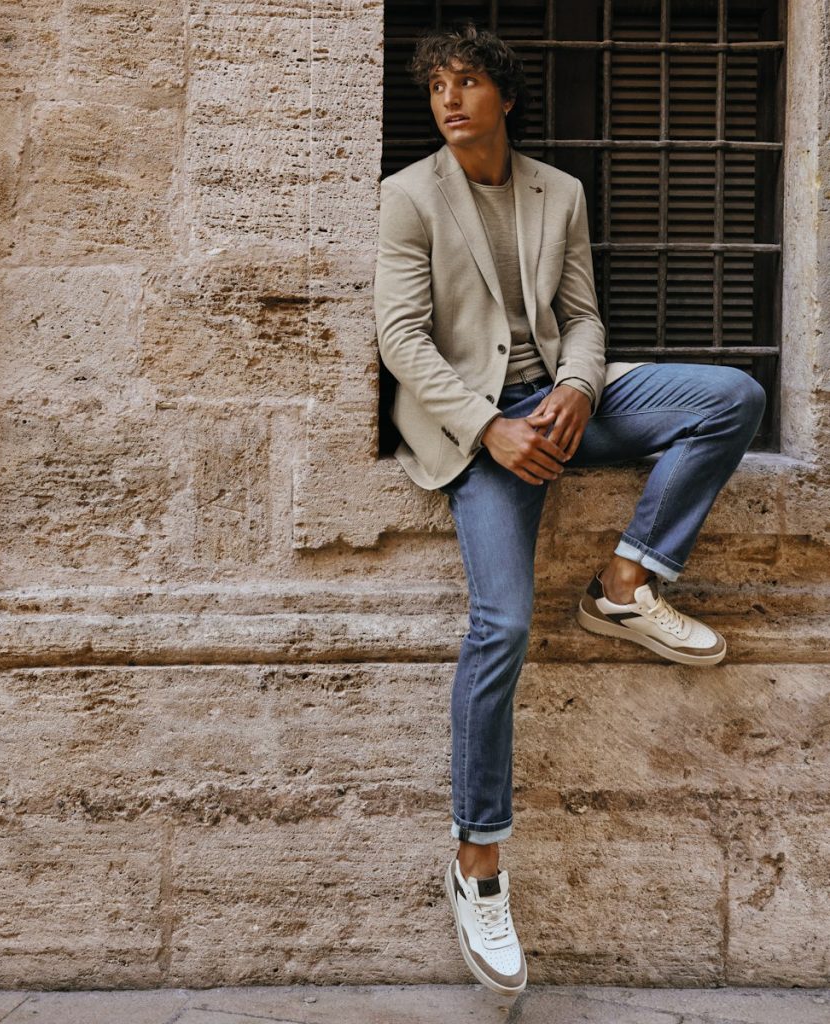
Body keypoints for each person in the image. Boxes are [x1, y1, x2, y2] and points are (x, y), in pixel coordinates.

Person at [373, 23, 766, 997]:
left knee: (730, 398)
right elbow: (400, 337)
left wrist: (581, 388)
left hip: (560, 399)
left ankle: (625, 582)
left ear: (504, 97)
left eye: (468, 82)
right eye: (437, 86)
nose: (449, 98)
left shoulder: (560, 191)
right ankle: (477, 861)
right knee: (501, 625)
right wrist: (488, 429)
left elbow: (582, 317)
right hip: (480, 430)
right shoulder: (409, 196)